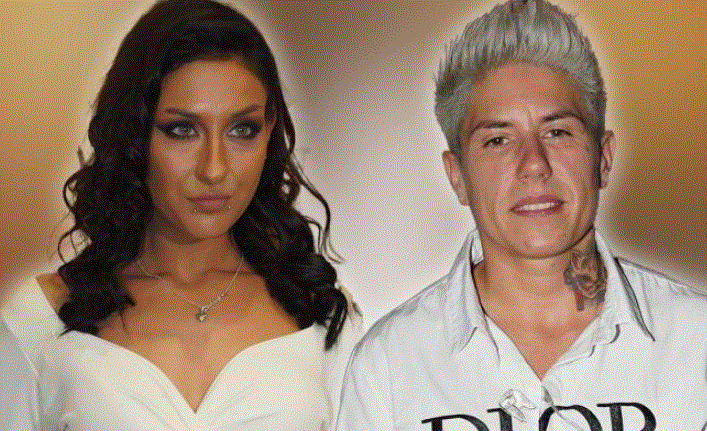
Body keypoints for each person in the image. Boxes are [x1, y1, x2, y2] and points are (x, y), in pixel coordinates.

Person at [335, 0, 707, 430]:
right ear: (457, 176)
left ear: (603, 159)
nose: (534, 164)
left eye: (557, 132)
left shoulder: (696, 343)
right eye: (498, 140)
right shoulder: (388, 366)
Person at [0, 0, 360, 430]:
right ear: (133, 135)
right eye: (182, 129)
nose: (214, 168)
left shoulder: (323, 317)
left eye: (241, 129)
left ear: (269, 132)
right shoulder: (40, 322)